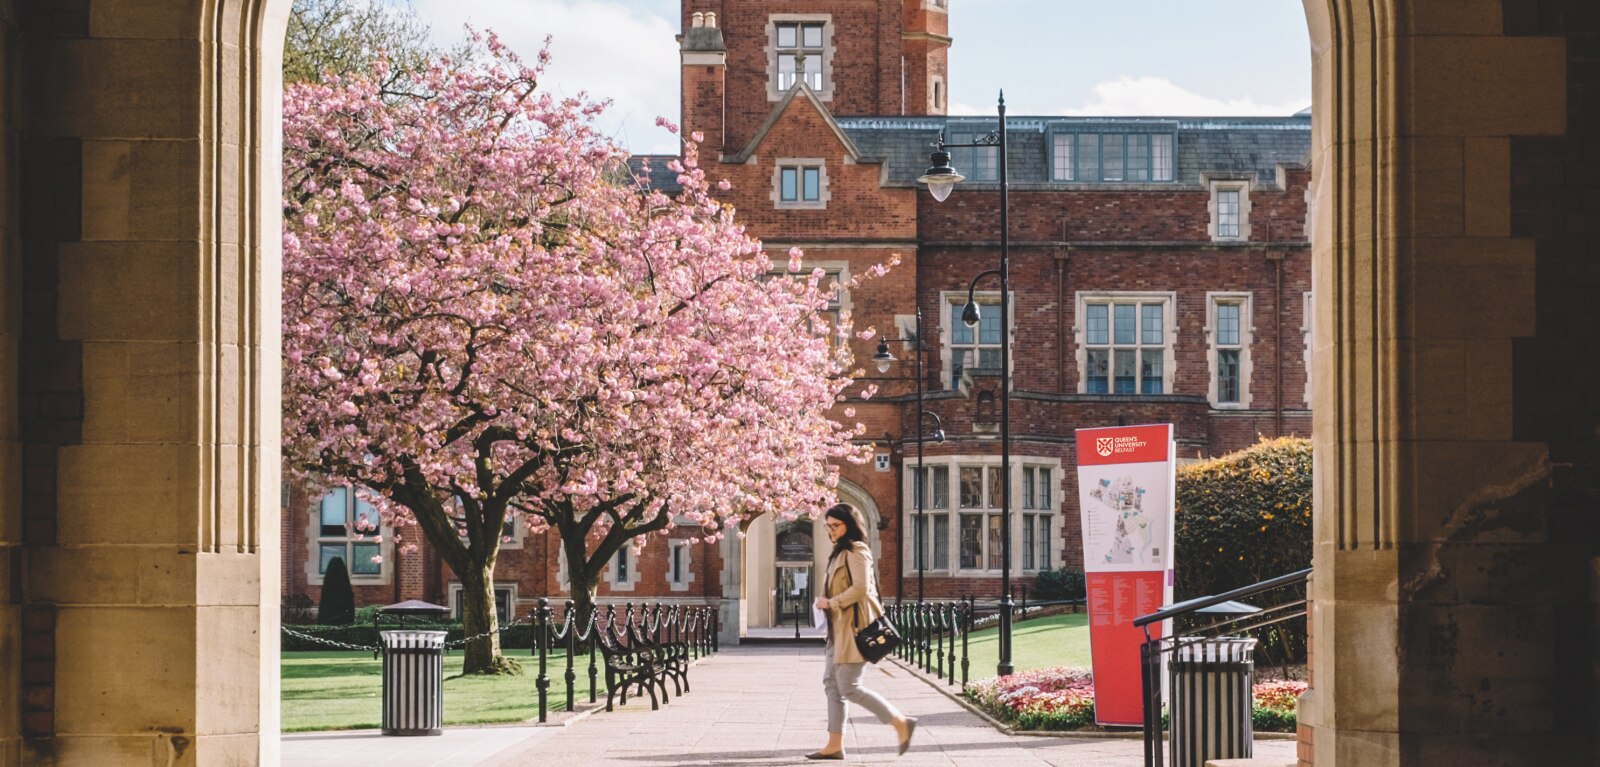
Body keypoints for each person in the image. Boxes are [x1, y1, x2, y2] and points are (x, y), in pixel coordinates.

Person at [807, 502, 917, 760]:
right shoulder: (839, 553)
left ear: (850, 524)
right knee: (832, 685)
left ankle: (900, 722)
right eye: (828, 526)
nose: (831, 530)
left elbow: (861, 589)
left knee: (849, 687)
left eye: (836, 525)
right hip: (837, 630)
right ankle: (834, 744)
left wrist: (831, 602)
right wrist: (824, 602)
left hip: (854, 631)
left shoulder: (858, 551)